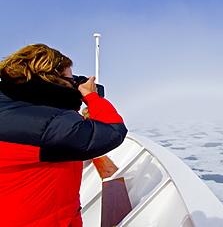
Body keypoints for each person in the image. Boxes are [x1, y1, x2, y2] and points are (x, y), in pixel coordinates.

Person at [0, 44, 128, 226]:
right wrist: (91, 97)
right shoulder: (51, 123)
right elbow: (111, 131)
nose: (74, 84)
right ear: (51, 79)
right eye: (70, 78)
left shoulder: (9, 108)